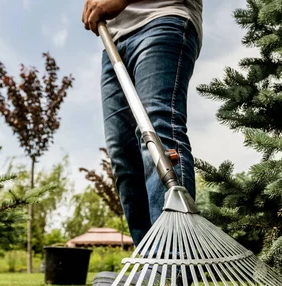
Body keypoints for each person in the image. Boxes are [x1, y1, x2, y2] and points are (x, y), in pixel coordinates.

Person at [82, 0, 203, 248]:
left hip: (161, 18)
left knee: (158, 135)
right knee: (123, 157)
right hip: (113, 41)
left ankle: (173, 264)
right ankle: (149, 259)